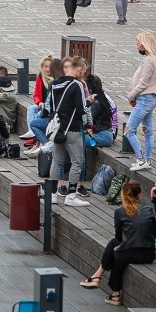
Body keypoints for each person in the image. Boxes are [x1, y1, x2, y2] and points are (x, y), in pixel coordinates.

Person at [80, 181, 156, 306]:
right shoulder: (149, 210)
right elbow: (154, 233)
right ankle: (97, 277)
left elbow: (119, 237)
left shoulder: (120, 211)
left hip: (129, 253)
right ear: (140, 195)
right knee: (115, 248)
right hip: (149, 254)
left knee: (116, 254)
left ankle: (112, 290)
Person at [46, 56, 92, 206]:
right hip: (72, 129)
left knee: (56, 161)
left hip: (58, 129)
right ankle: (71, 196)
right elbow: (82, 109)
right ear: (78, 68)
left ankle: (52, 195)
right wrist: (89, 101)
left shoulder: (54, 84)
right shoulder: (77, 85)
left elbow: (51, 108)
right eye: (84, 71)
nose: (84, 74)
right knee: (77, 162)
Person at [125, 32, 156, 172]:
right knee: (148, 131)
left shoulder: (148, 60)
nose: (137, 46)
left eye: (138, 43)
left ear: (144, 44)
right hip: (150, 98)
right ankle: (147, 159)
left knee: (129, 130)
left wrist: (131, 95)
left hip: (144, 99)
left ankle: (141, 159)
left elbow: (143, 82)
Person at [20, 55, 54, 140]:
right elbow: (36, 94)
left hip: (50, 107)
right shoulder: (40, 77)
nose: (47, 69)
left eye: (49, 67)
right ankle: (31, 131)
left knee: (38, 115)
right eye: (45, 67)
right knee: (31, 109)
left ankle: (36, 134)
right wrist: (39, 102)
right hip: (42, 104)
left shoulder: (55, 79)